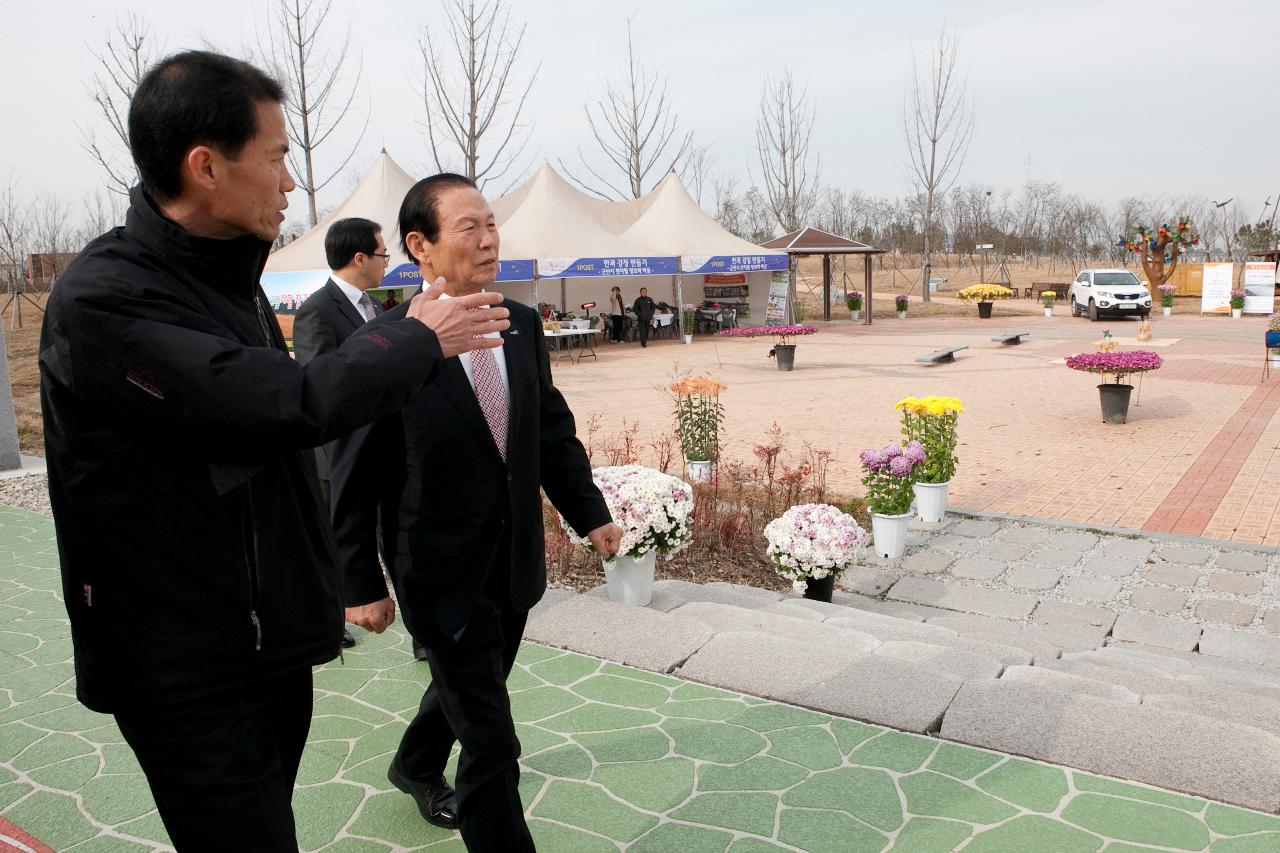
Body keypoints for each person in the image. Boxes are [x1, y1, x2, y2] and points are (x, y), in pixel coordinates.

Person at [38, 50, 510, 852]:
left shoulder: (223, 280)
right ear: (205, 166)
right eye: (279, 157)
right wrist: (415, 335)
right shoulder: (105, 296)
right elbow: (278, 404)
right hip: (182, 663)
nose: (292, 183)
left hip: (260, 640)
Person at [331, 173, 623, 851]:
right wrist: (359, 581)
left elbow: (549, 432)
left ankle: (414, 762)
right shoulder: (389, 345)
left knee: (473, 684)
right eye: (469, 227)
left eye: (493, 224)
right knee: (492, 735)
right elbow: (354, 473)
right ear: (419, 246)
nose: (490, 239)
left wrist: (590, 512)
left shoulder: (519, 324)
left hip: (513, 557)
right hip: (434, 568)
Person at [292, 216, 390, 650]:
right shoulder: (317, 309)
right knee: (339, 538)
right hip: (339, 452)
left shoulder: (376, 306)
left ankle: (420, 632)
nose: (387, 262)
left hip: (381, 445)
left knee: (390, 537)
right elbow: (319, 383)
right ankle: (336, 618)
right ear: (359, 257)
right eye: (383, 254)